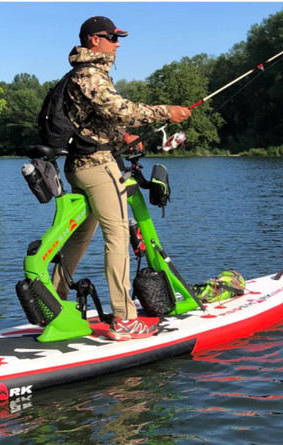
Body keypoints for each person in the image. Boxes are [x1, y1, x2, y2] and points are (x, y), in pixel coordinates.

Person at [51, 16, 191, 341]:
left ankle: (54, 303)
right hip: (98, 167)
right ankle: (125, 319)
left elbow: (98, 121)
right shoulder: (90, 74)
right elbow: (119, 108)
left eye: (118, 37)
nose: (117, 43)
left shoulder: (84, 74)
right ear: (92, 40)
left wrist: (124, 137)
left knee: (81, 235)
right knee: (117, 236)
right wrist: (165, 111)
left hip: (82, 164)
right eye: (112, 37)